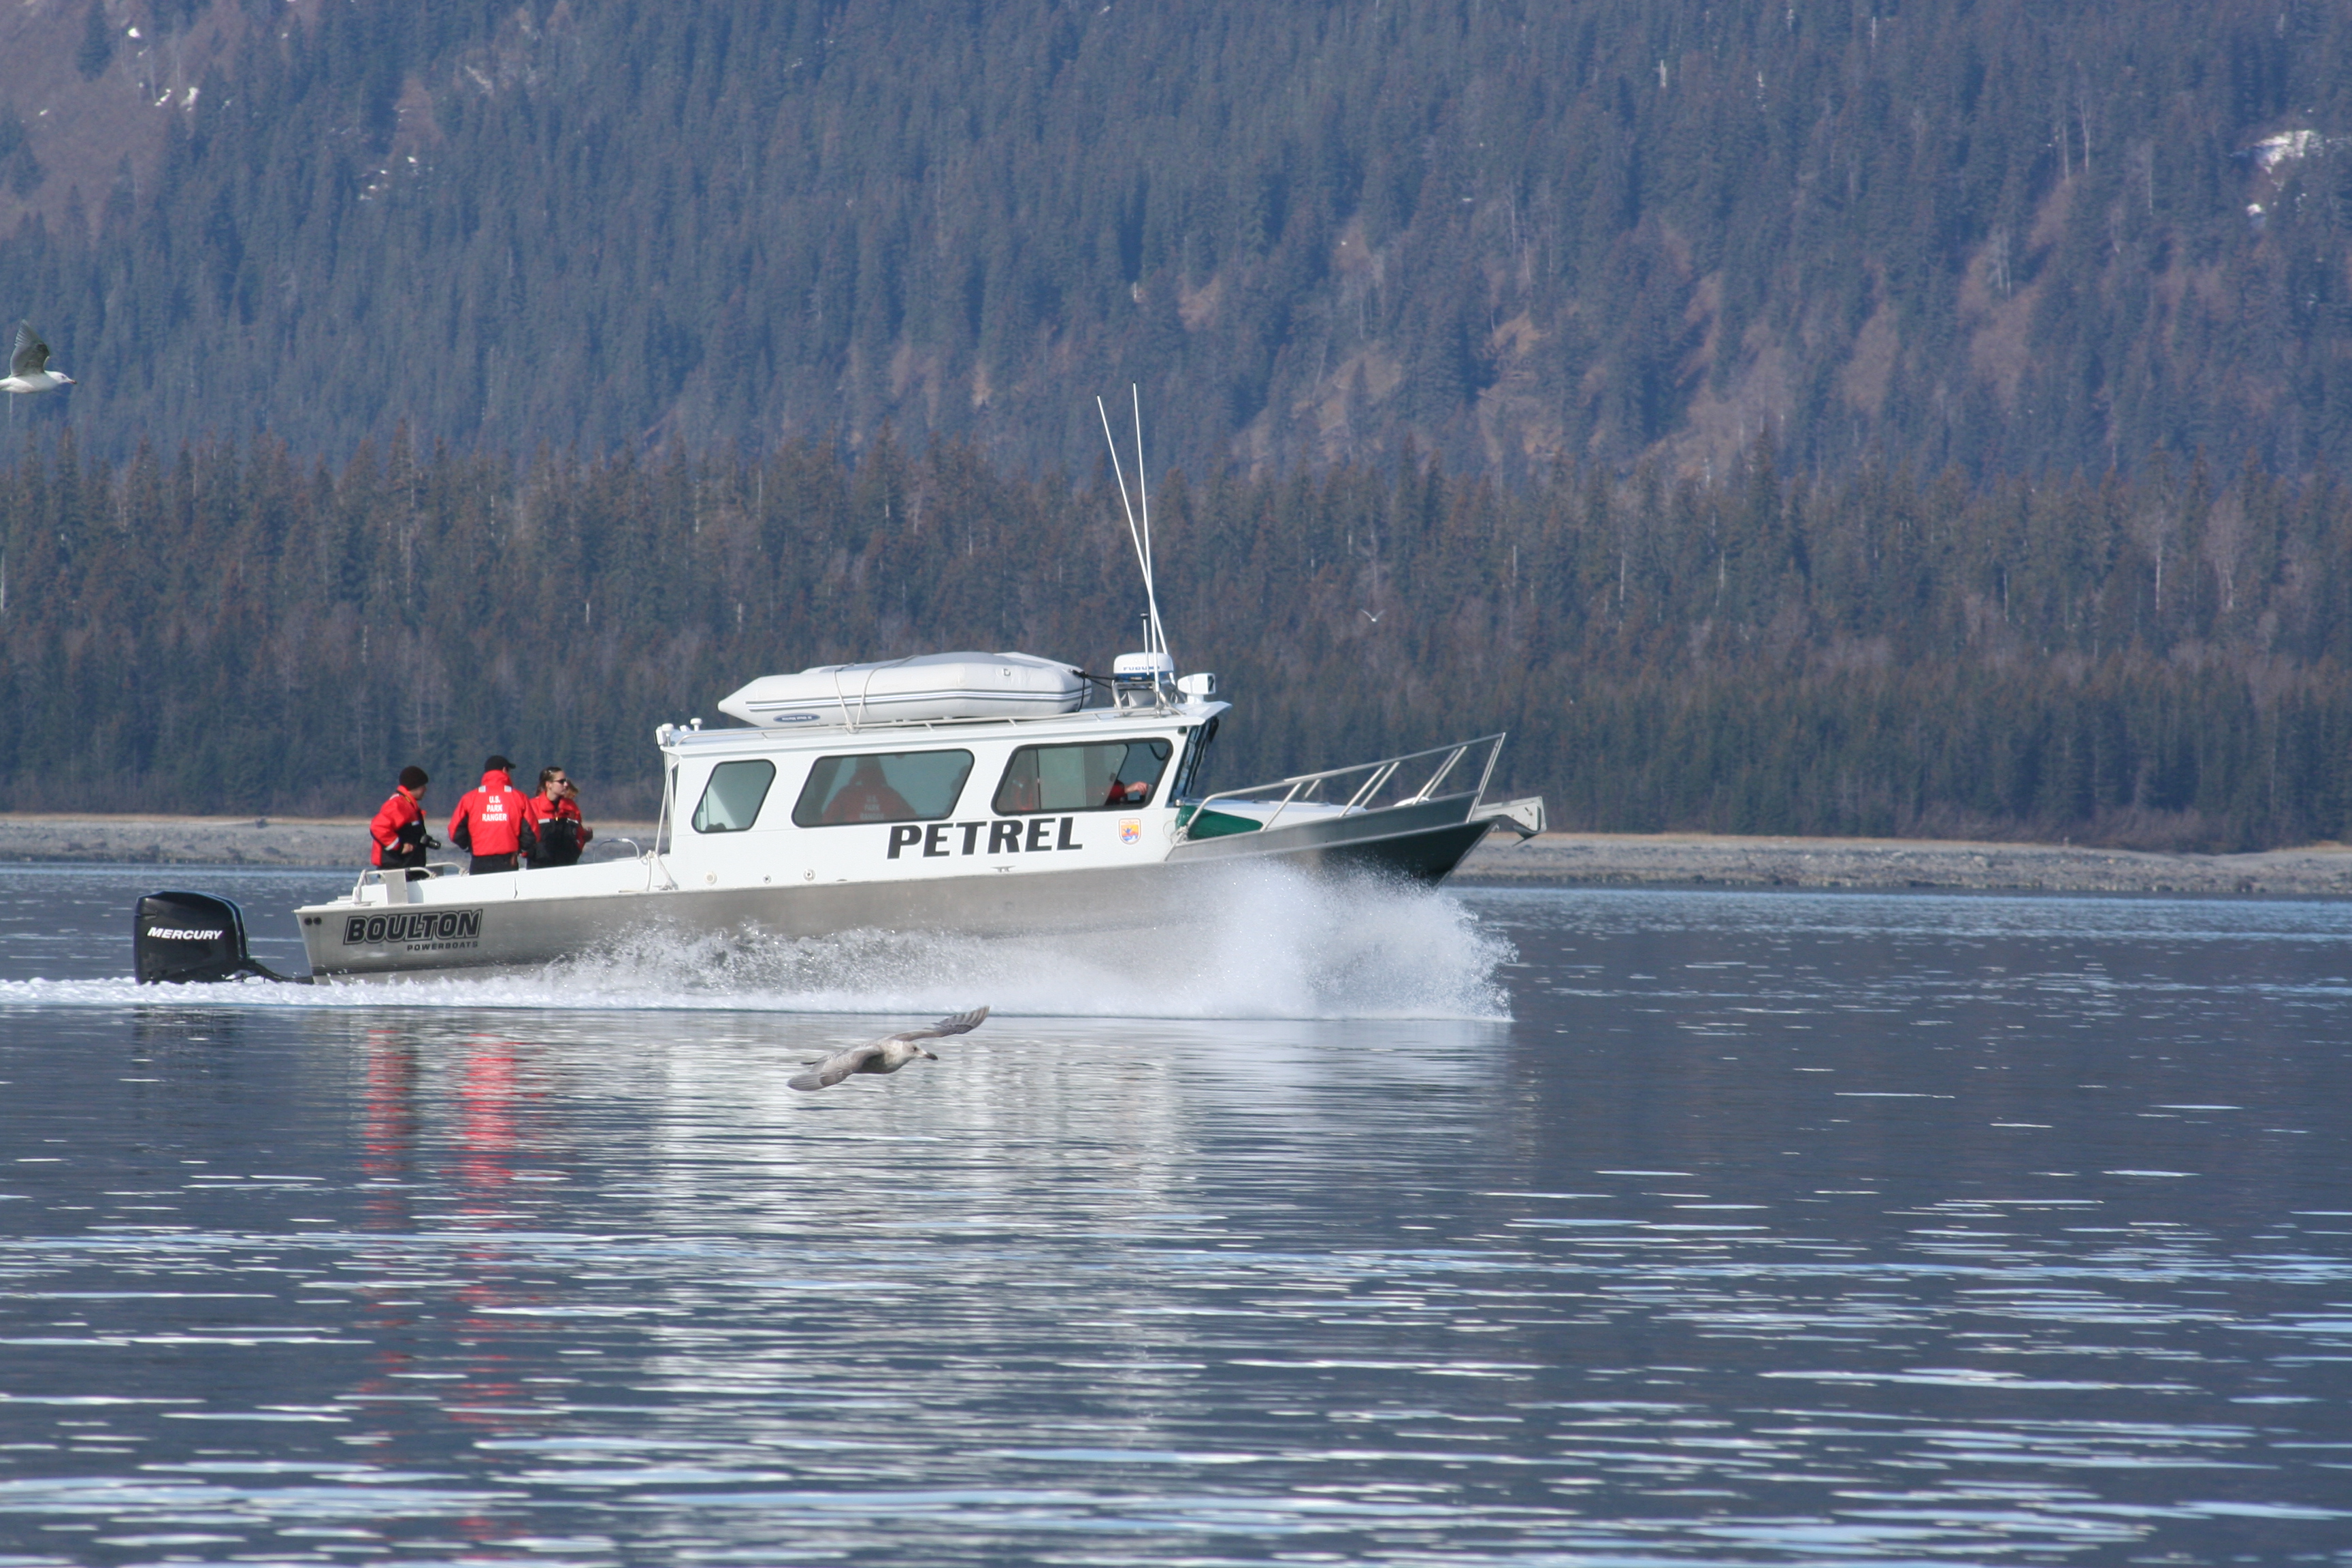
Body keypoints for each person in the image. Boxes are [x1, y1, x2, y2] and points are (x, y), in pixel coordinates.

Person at [448, 754, 537, 875]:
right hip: (508, 859)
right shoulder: (519, 797)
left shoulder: (469, 798)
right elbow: (532, 832)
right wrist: (519, 850)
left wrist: (470, 846)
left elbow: (455, 832)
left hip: (479, 860)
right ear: (505, 770)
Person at [368, 766, 439, 878]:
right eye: (423, 786)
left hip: (408, 867)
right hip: (396, 869)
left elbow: (408, 833)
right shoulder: (397, 804)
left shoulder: (409, 805)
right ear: (414, 786)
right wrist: (399, 846)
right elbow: (378, 827)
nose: (425, 789)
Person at [523, 765, 593, 868]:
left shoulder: (571, 807)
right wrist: (531, 853)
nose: (566, 785)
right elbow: (523, 837)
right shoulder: (532, 807)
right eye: (561, 782)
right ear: (549, 785)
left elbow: (579, 834)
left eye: (566, 781)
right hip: (539, 867)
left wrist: (578, 847)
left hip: (568, 865)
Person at [821, 755, 915, 823]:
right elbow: (911, 818)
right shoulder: (891, 794)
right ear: (879, 768)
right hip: (884, 840)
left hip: (852, 840)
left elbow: (828, 819)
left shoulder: (846, 793)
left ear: (858, 769)